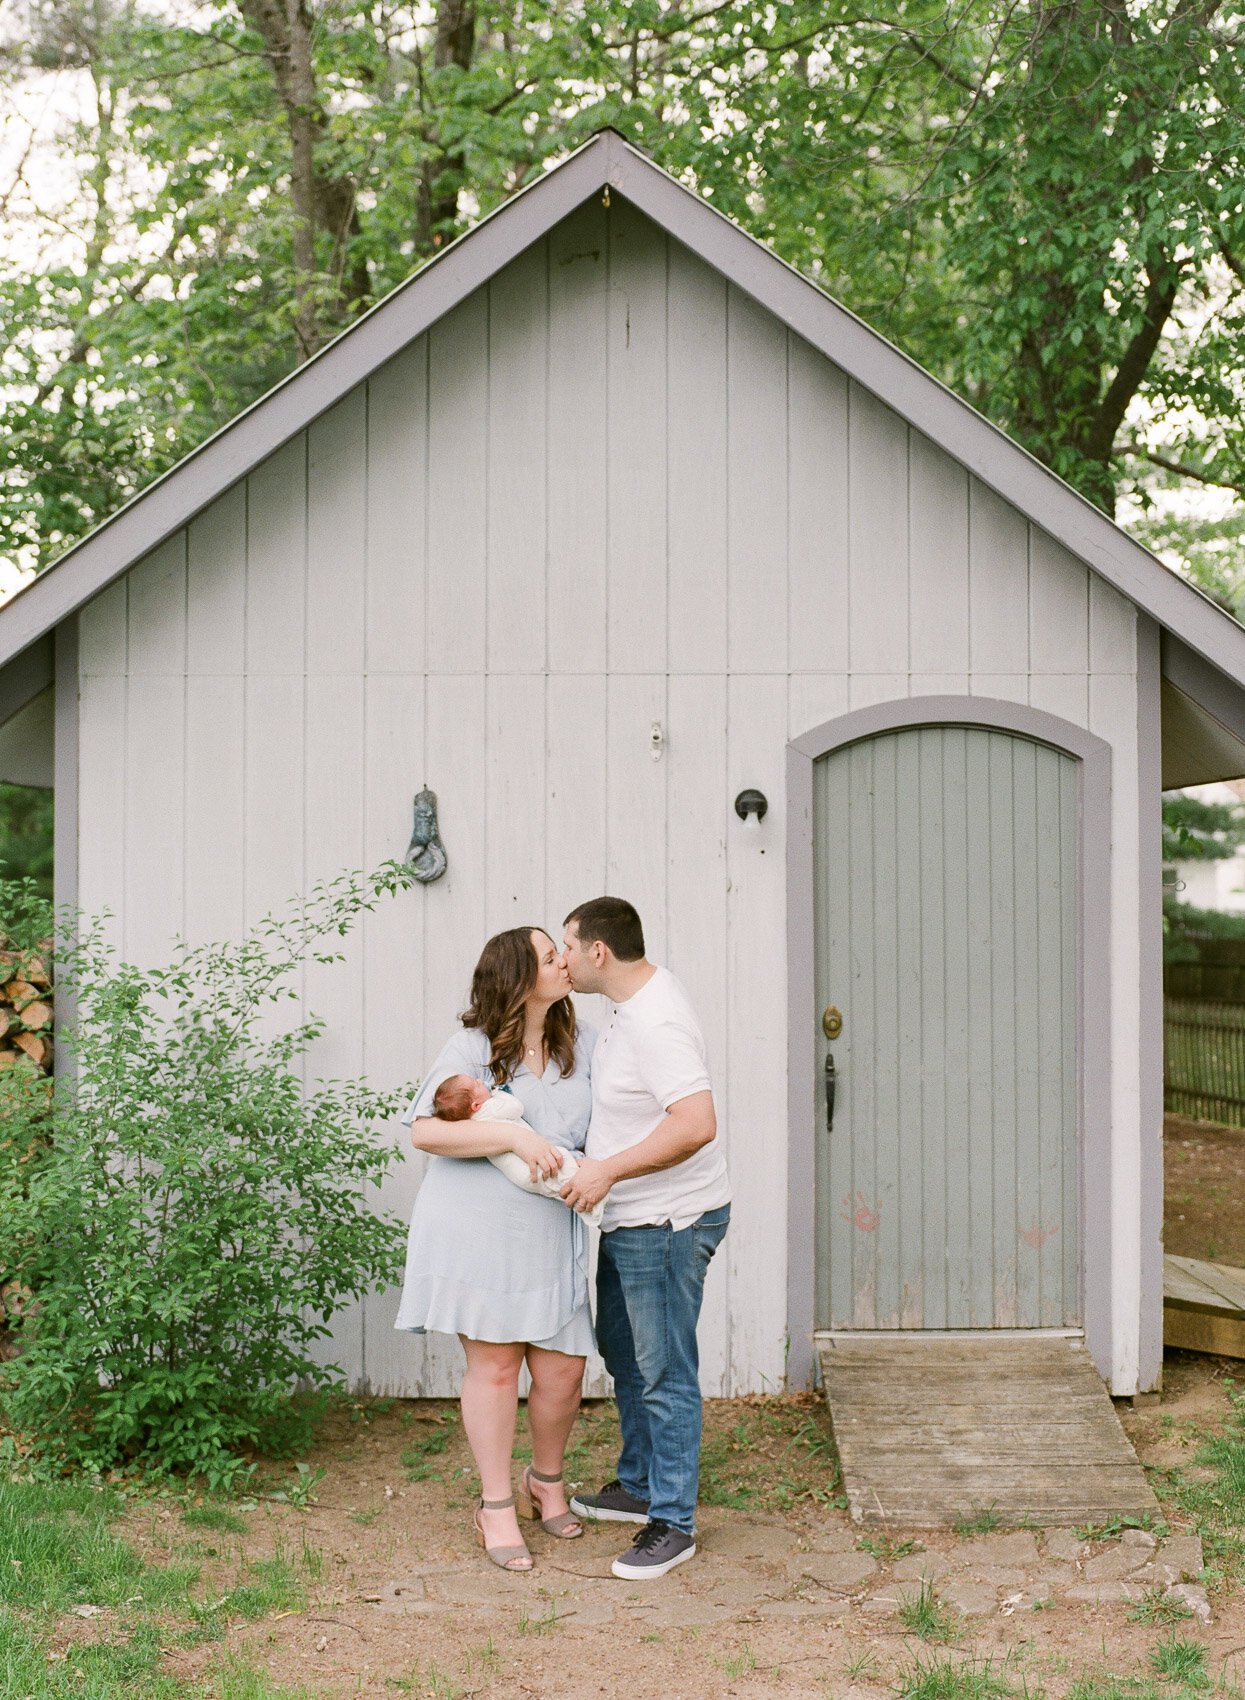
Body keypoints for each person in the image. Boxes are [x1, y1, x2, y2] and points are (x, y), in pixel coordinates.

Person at [396, 927, 595, 1571]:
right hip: (480, 1232)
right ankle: (496, 1505)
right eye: (547, 956)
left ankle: (546, 1479)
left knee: (564, 1369)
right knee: (498, 1369)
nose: (562, 962)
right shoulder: (471, 1049)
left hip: (549, 1233)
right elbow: (425, 1131)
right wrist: (510, 1140)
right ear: (517, 977)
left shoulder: (578, 1046)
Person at [559, 897, 731, 1580]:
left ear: (597, 952)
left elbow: (694, 1123)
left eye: (568, 947)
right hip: (631, 1217)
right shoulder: (630, 1006)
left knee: (663, 1371)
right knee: (624, 1352)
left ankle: (673, 1523)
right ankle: (637, 1485)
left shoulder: (655, 1019)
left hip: (665, 1222)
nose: (563, 960)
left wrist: (605, 1171)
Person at [430, 1074, 605, 1226]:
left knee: (556, 1187)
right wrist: (500, 1093)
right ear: (475, 1106)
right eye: (476, 1084)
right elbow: (515, 1108)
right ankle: (593, 1204)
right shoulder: (490, 1108)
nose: (479, 1080)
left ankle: (589, 1207)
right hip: (527, 1165)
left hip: (518, 1174)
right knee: (562, 1165)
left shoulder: (474, 1122)